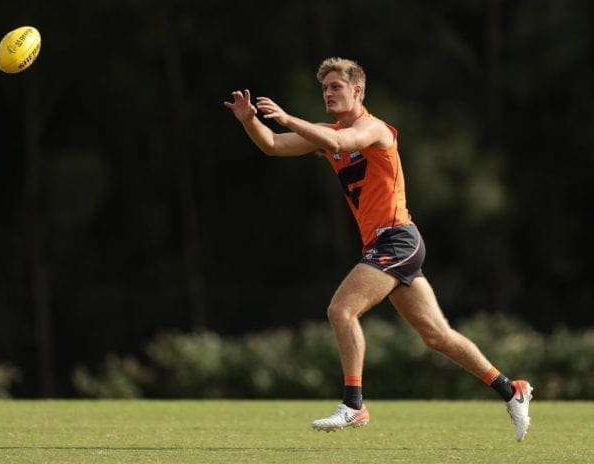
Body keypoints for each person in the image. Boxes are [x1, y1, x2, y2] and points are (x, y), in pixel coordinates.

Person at [224, 57, 533, 441]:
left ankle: (353, 404)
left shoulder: (373, 128)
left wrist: (286, 117)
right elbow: (272, 145)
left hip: (397, 238)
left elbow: (339, 142)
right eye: (325, 88)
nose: (328, 93)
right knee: (437, 335)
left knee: (341, 309)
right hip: (385, 243)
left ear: (358, 91)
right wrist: (249, 121)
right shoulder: (326, 132)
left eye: (336, 86)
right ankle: (511, 389)